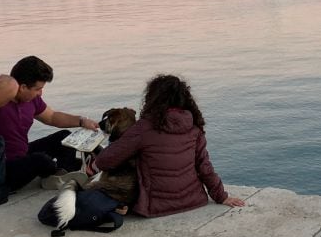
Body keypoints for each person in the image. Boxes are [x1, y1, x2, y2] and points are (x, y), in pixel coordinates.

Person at [88, 74, 245, 217]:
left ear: (152, 99)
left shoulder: (144, 127)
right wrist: (222, 197)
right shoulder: (194, 127)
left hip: (155, 207)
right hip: (193, 201)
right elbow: (204, 166)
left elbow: (105, 161)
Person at [0, 55, 100, 191]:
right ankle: (55, 172)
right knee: (40, 160)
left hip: (21, 155)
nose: (40, 93)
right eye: (37, 89)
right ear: (22, 87)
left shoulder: (31, 100)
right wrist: (10, 81)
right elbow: (8, 85)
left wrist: (82, 121)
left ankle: (62, 173)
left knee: (64, 137)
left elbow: (52, 117)